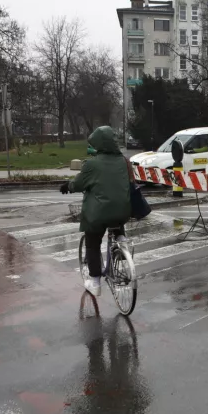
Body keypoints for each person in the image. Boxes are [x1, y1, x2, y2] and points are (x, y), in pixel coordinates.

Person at [61, 126, 132, 296]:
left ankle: (94, 282)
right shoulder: (123, 161)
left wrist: (67, 186)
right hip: (123, 212)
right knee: (115, 214)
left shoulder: (91, 164)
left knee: (92, 243)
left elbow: (78, 184)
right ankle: (121, 240)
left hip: (99, 215)